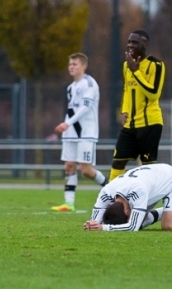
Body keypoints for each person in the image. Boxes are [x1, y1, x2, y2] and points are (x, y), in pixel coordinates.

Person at [51, 53, 108, 212]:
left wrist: (66, 123)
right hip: (70, 133)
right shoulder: (71, 87)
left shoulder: (89, 84)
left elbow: (85, 107)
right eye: (70, 64)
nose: (71, 67)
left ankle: (111, 189)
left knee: (86, 170)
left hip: (86, 133)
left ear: (84, 66)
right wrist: (67, 126)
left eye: (75, 64)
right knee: (69, 165)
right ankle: (69, 203)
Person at [108, 30, 166, 182]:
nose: (130, 45)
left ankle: (147, 202)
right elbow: (127, 89)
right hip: (130, 125)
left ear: (145, 44)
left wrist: (137, 72)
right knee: (118, 161)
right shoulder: (126, 65)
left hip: (150, 123)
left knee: (148, 167)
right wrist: (124, 110)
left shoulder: (156, 65)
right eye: (129, 42)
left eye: (135, 42)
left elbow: (153, 94)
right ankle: (111, 200)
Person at [83, 163, 172, 232]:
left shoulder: (138, 192)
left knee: (170, 227)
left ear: (126, 210)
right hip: (151, 182)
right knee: (138, 221)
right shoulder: (106, 192)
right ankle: (169, 211)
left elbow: (132, 227)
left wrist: (103, 228)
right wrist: (92, 225)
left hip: (171, 179)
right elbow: (95, 222)